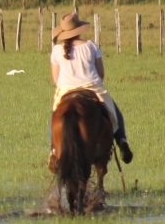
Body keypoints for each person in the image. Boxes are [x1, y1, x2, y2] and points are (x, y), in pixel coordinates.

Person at [50, 12, 134, 163]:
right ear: (79, 29)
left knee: (54, 116)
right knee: (115, 112)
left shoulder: (56, 50)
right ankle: (122, 141)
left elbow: (56, 79)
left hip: (65, 90)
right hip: (92, 87)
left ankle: (54, 151)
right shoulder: (90, 46)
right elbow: (101, 73)